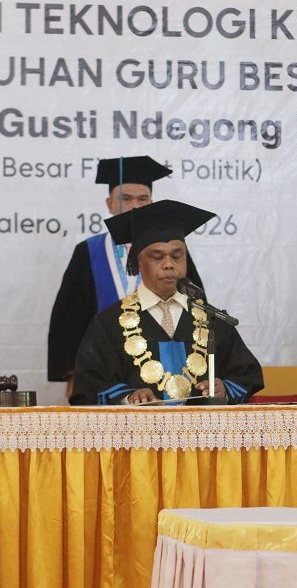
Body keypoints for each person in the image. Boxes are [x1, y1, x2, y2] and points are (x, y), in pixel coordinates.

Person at [69, 200, 262, 405]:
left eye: (177, 256)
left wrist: (224, 389)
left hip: (202, 426)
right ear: (138, 263)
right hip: (139, 427)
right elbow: (89, 386)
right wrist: (127, 397)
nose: (169, 265)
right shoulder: (108, 323)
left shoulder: (211, 320)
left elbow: (246, 375)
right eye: (157, 257)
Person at [47, 156, 204, 398]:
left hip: (164, 367)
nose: (135, 206)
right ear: (110, 204)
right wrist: (72, 374)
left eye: (143, 199)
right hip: (104, 365)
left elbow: (196, 308)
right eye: (126, 199)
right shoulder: (89, 251)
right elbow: (69, 317)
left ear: (151, 203)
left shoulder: (171, 253)